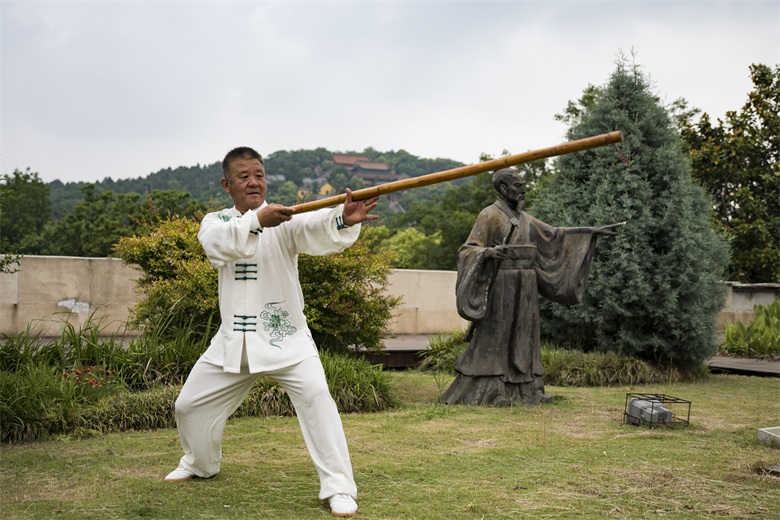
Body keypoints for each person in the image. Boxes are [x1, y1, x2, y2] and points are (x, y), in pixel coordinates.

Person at [164, 146, 378, 518]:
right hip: (234, 343)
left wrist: (342, 220)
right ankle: (201, 463)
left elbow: (315, 228)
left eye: (259, 175)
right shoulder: (216, 222)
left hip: (287, 339)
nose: (253, 182)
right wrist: (258, 221)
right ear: (226, 183)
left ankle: (339, 488)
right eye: (244, 176)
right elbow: (218, 246)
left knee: (316, 396)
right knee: (189, 405)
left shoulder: (286, 219)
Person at [441, 168, 621, 406]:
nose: (523, 189)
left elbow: (556, 235)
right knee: (497, 333)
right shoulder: (490, 215)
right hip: (502, 283)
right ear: (504, 189)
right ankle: (493, 391)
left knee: (525, 334)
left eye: (523, 184)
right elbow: (468, 249)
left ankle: (529, 390)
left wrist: (590, 233)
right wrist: (488, 252)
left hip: (526, 284)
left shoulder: (525, 219)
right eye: (517, 185)